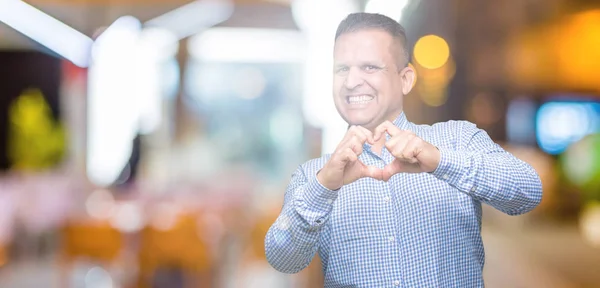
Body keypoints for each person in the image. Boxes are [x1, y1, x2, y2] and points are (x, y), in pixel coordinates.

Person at [264, 12, 543, 287]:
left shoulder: (458, 139)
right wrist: (324, 187)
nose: (351, 82)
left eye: (370, 67)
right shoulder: (314, 176)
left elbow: (529, 192)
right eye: (342, 69)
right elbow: (283, 260)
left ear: (406, 79)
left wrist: (440, 161)